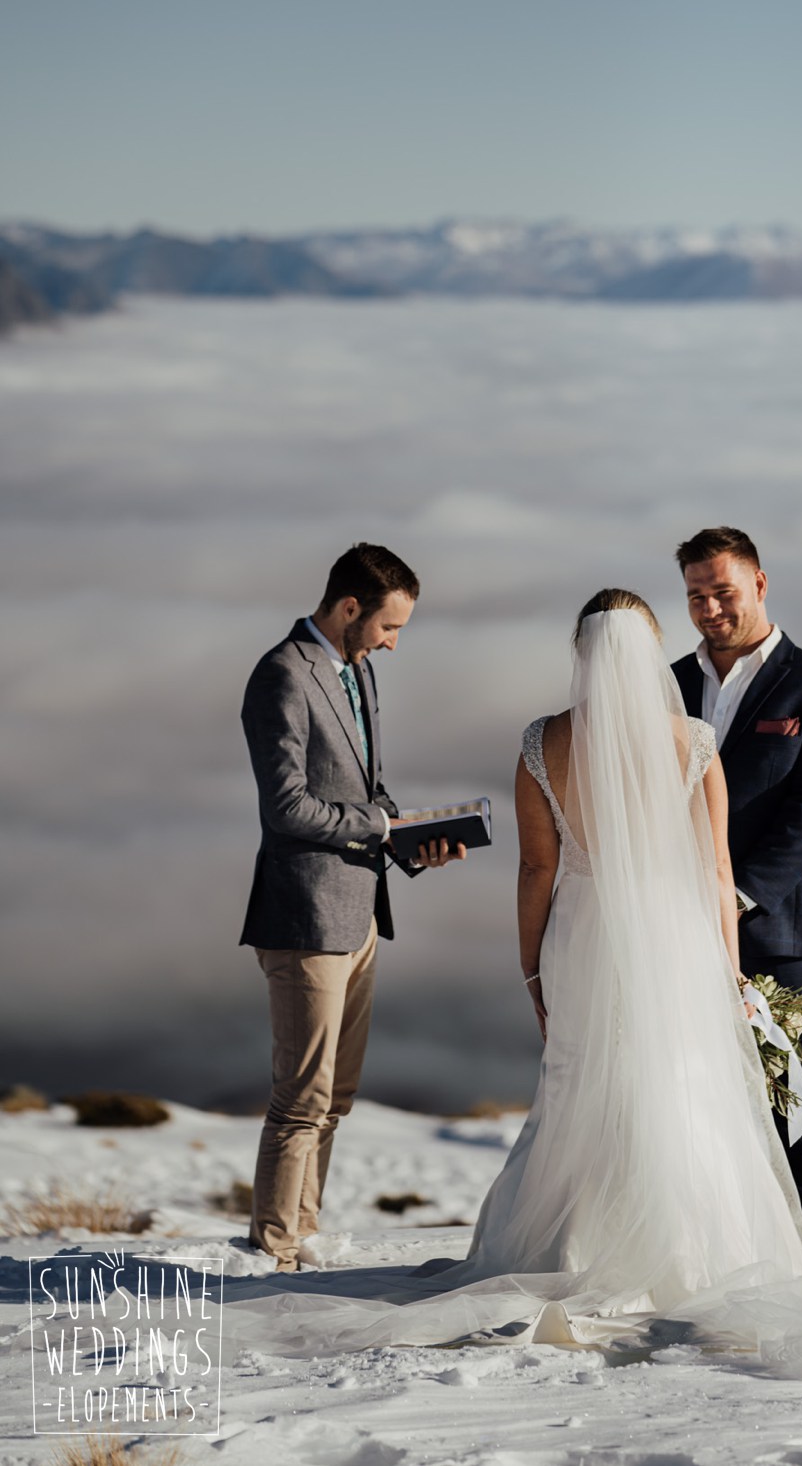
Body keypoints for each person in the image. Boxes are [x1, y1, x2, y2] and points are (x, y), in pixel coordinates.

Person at [224, 589, 802, 1379]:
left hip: (581, 935)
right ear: (650, 655)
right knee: (680, 1085)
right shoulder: (693, 741)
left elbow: (536, 870)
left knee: (584, 1082)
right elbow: (717, 872)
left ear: (580, 653)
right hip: (676, 934)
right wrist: (726, 973)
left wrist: (532, 966)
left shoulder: (543, 742)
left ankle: (570, 1244)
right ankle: (695, 1248)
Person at [240, 541, 464, 1272]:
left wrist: (414, 841)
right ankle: (272, 1252)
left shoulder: (356, 671)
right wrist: (381, 827)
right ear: (347, 607)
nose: (393, 643)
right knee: (300, 1099)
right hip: (304, 915)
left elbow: (367, 791)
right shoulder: (282, 675)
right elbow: (286, 807)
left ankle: (304, 1234)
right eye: (388, 626)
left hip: (360, 910)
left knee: (336, 1094)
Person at [671, 526, 802, 1264]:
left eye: (723, 592)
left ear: (759, 583)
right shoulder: (665, 685)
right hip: (670, 926)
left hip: (775, 932)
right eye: (696, 596)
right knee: (686, 1097)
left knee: (790, 1097)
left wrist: (737, 896)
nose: (711, 609)